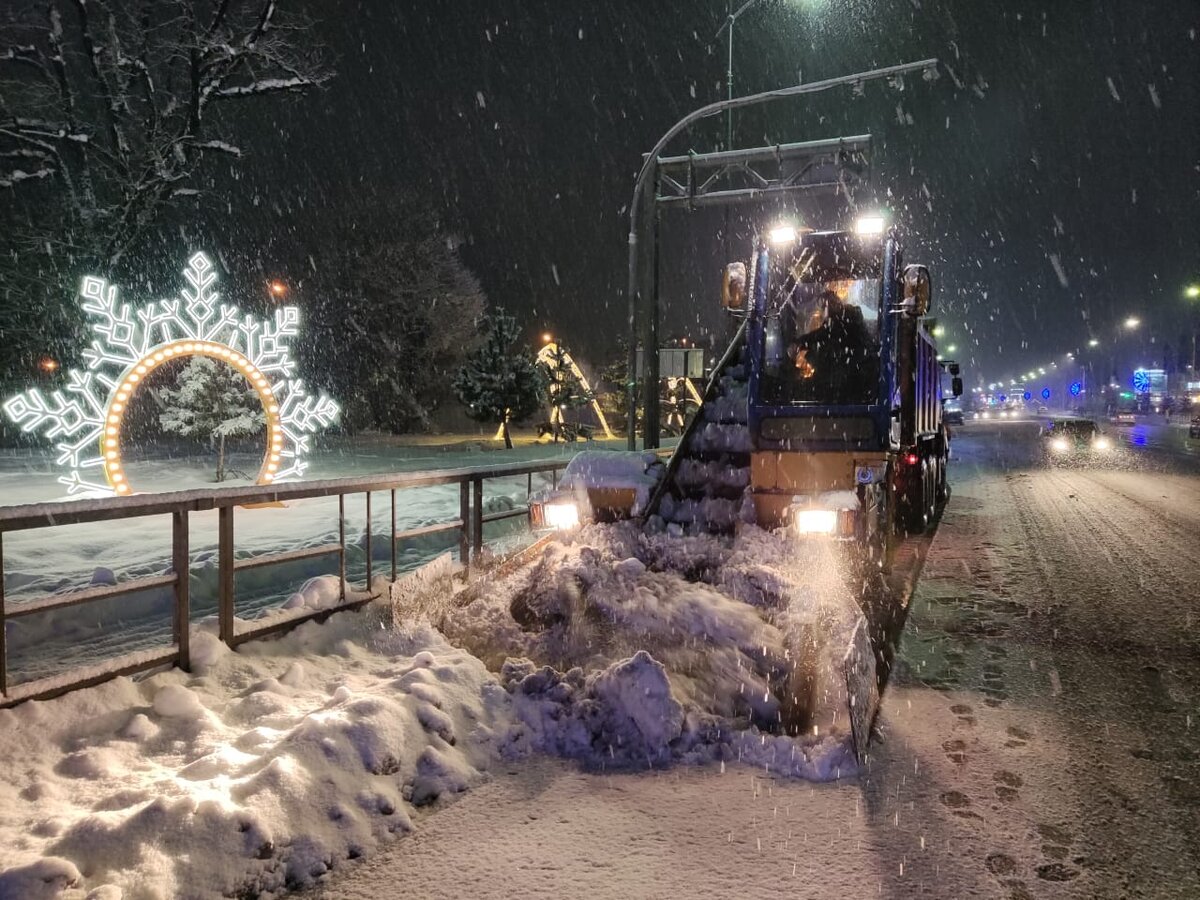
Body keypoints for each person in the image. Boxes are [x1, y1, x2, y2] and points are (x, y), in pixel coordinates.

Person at [787, 289, 876, 402]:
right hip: (852, 376)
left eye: (824, 307)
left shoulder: (847, 316)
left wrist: (801, 342)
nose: (822, 312)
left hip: (857, 378)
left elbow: (824, 333)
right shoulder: (840, 321)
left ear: (830, 304)